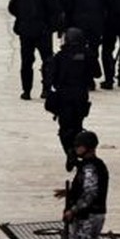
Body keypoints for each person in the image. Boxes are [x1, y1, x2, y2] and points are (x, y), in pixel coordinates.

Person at [55, 130, 108, 239]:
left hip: (88, 217)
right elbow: (87, 189)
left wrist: (73, 210)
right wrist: (70, 193)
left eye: (79, 146)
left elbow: (90, 194)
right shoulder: (88, 165)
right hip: (89, 215)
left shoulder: (90, 167)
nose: (77, 149)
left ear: (88, 147)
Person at [8, 0, 59, 100]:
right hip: (42, 31)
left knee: (26, 62)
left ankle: (26, 91)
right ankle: (46, 90)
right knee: (47, 60)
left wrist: (23, 17)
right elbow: (52, 7)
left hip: (25, 31)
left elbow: (12, 8)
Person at [49, 27, 96, 169]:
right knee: (77, 126)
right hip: (81, 95)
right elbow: (97, 73)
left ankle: (70, 151)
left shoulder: (60, 56)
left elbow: (51, 78)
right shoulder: (87, 54)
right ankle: (76, 151)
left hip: (63, 96)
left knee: (64, 129)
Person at [69, 0, 106, 83]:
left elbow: (69, 3)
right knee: (94, 50)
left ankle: (82, 77)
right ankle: (91, 78)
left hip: (80, 23)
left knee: (79, 50)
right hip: (96, 22)